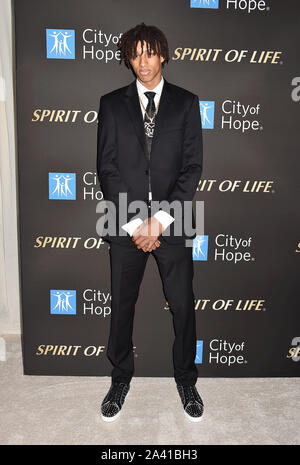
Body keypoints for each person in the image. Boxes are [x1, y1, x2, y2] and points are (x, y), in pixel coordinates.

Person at [96, 22, 204, 422]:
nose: (143, 61)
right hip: (124, 224)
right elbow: (106, 169)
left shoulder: (187, 102)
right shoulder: (111, 103)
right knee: (122, 306)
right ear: (128, 58)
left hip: (173, 223)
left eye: (150, 52)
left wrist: (158, 221)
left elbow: (192, 167)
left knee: (182, 307)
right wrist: (135, 223)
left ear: (163, 54)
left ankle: (186, 379)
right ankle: (120, 377)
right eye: (135, 53)